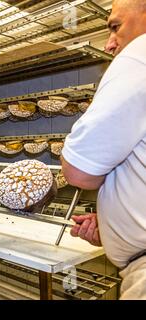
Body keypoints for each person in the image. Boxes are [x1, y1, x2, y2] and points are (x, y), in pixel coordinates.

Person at [61, 0, 146, 299]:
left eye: (115, 27)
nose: (110, 45)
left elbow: (78, 171)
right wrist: (114, 222)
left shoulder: (139, 55)